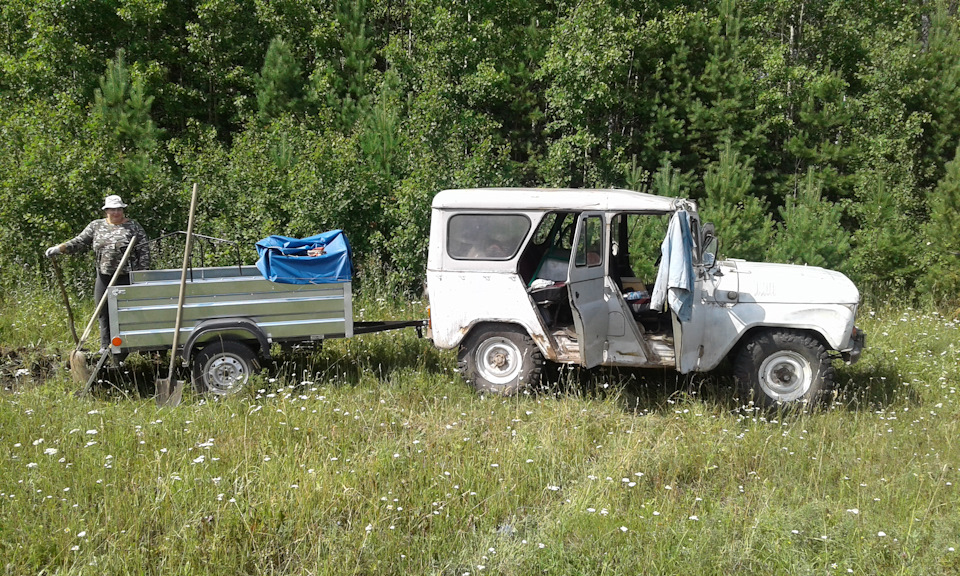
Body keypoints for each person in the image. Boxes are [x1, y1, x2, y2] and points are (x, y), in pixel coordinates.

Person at [45, 194, 151, 351]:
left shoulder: (133, 227)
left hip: (126, 276)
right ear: (106, 211)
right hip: (104, 275)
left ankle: (127, 347)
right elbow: (79, 241)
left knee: (125, 313)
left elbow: (144, 252)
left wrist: (141, 274)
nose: (116, 213)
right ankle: (105, 347)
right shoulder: (96, 226)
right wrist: (60, 248)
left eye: (119, 209)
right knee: (102, 311)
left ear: (123, 210)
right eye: (112, 210)